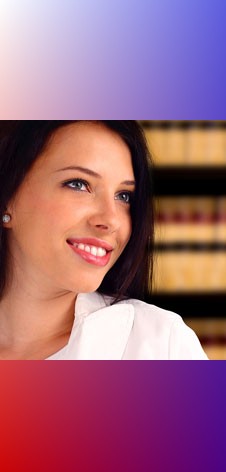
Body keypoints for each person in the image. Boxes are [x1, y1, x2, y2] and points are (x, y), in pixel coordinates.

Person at [0, 121, 207, 359]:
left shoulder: (160, 345)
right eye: (78, 184)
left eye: (124, 196)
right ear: (7, 197)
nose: (111, 220)